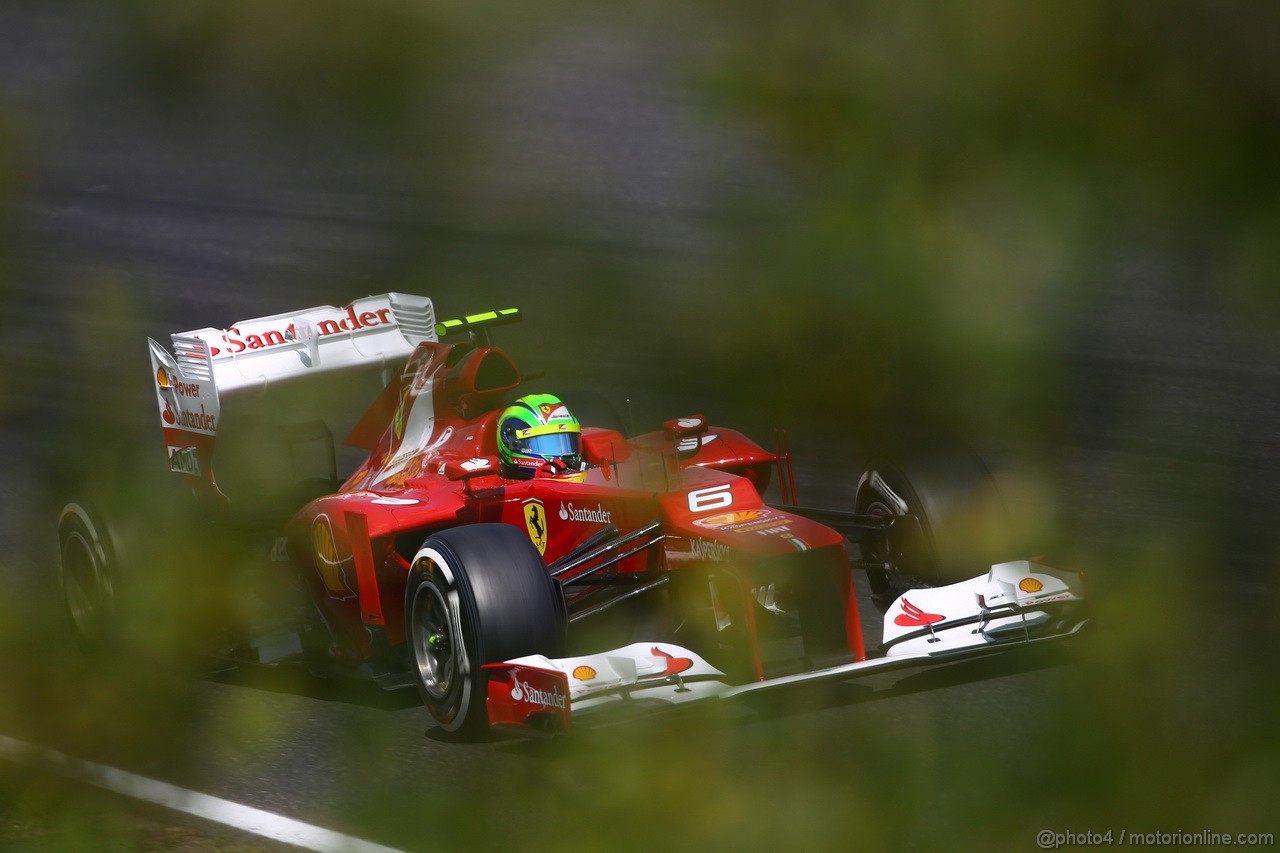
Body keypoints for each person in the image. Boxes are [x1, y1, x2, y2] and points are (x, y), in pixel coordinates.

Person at [496, 393, 583, 479]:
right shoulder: (496, 490)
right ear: (512, 442)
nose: (565, 456)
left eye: (570, 442)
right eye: (549, 444)